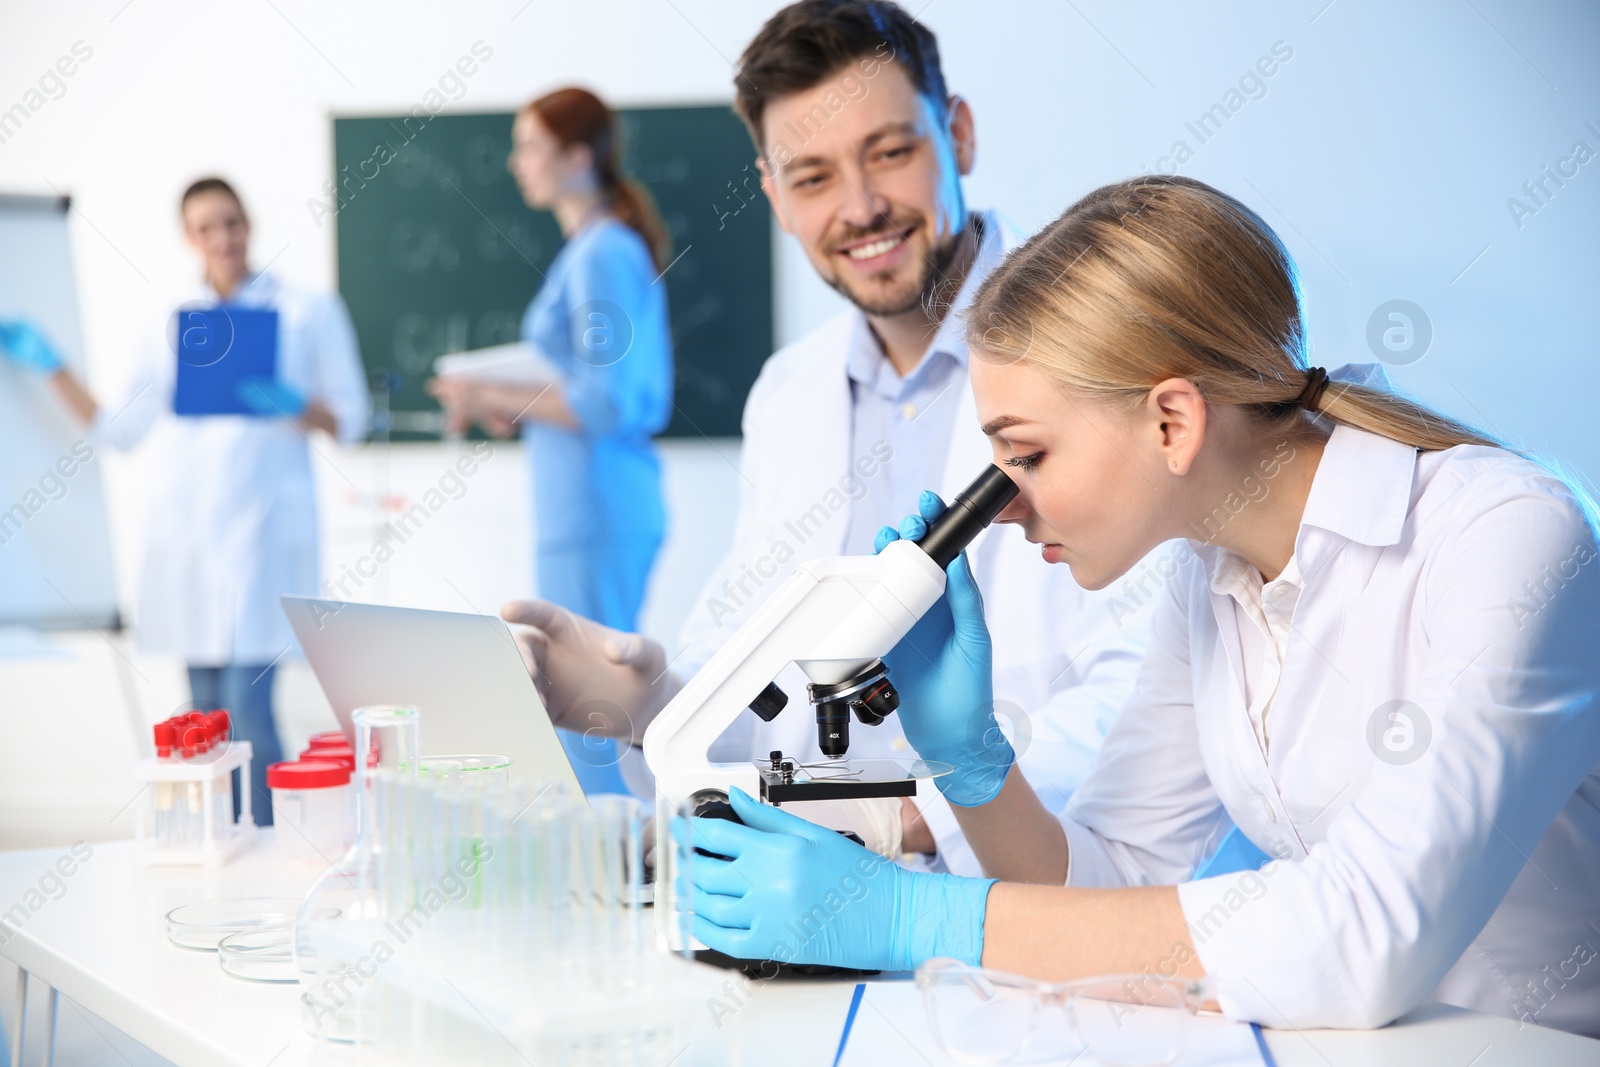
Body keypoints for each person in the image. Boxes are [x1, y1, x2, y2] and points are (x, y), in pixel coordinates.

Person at [675, 175, 1600, 1036]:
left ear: (1173, 421)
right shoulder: (1212, 570)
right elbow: (1112, 874)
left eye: (1027, 457)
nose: (1008, 508)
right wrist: (974, 764)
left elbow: (1363, 933)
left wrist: (916, 917)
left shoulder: (1508, 536)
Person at [498, 0, 1150, 873]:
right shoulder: (790, 391)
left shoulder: (1103, 347)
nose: (862, 207)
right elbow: (753, 657)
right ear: (773, 195)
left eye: (890, 151)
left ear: (956, 135)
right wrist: (647, 696)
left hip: (1030, 892)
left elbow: (1142, 693)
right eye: (811, 177)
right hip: (817, 882)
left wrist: (900, 822)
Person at [1, 177, 370, 826]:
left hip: (266, 541)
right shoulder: (169, 319)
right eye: (205, 228)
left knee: (248, 712)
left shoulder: (307, 310)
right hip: (189, 542)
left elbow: (353, 418)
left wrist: (295, 404)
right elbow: (119, 428)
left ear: (249, 223)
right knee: (201, 719)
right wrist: (50, 364)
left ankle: (273, 848)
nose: (222, 238)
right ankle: (218, 852)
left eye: (231, 222)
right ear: (187, 238)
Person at [428, 87, 674, 795]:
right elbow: (586, 389)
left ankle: (618, 871)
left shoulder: (600, 253)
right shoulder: (593, 250)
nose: (516, 163)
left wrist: (486, 395)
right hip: (592, 502)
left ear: (578, 156)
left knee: (589, 702)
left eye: (530, 146)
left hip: (596, 506)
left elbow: (605, 400)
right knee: (592, 702)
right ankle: (617, 867)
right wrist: (514, 406)